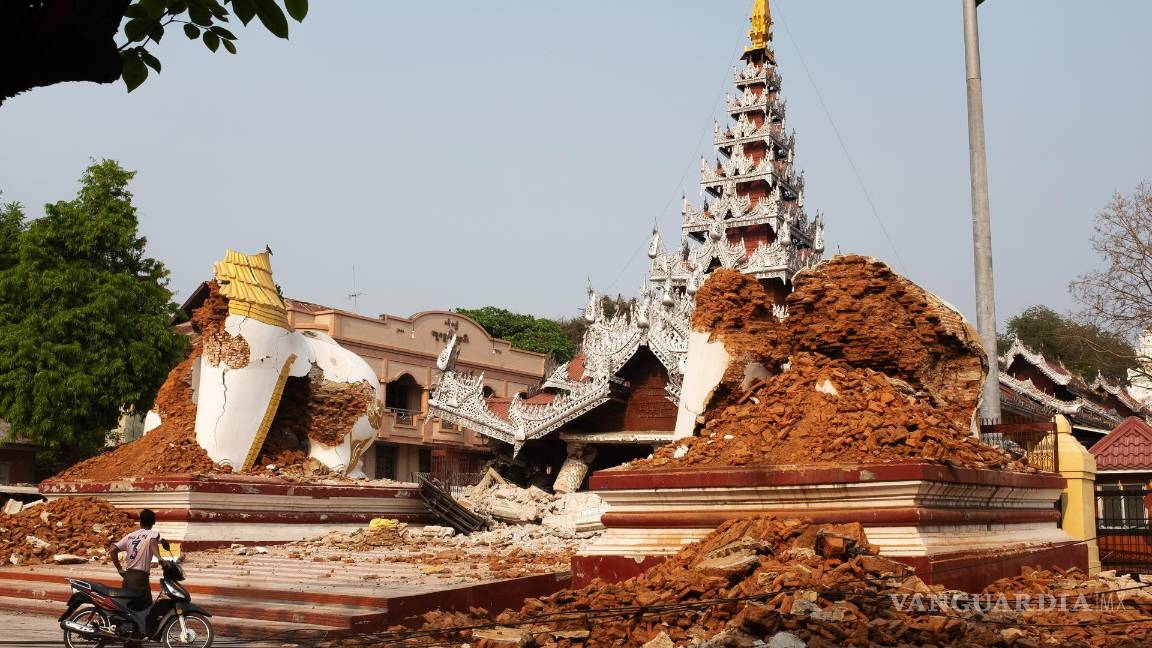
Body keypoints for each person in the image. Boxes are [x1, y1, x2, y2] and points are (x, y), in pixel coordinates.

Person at [108, 509, 165, 609]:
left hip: (128, 577)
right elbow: (152, 543)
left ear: (140, 521)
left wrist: (120, 569)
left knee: (129, 608)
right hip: (140, 578)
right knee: (147, 610)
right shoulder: (153, 534)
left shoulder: (130, 536)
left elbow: (112, 550)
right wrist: (159, 558)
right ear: (154, 522)